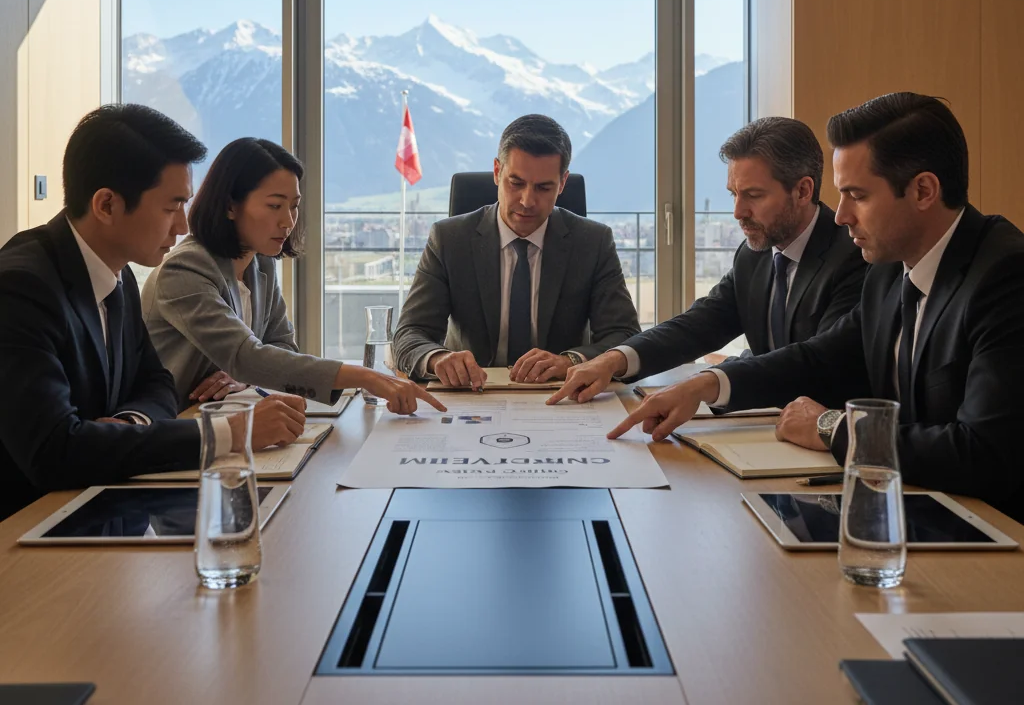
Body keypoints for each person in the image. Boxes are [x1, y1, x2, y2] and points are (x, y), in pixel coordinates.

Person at [600, 94, 1024, 523]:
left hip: (994, 532)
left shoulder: (1006, 275)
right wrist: (706, 385)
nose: (840, 216)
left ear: (923, 190)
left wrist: (833, 429)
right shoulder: (890, 269)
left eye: (857, 195)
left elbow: (985, 452)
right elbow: (820, 357)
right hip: (913, 503)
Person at [0, 105, 307, 522]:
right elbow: (55, 452)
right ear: (107, 205)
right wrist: (232, 433)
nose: (182, 225)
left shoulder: (117, 273)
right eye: (171, 207)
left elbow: (156, 383)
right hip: (27, 526)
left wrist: (127, 423)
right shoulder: (21, 287)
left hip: (99, 502)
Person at [550, 117, 866, 402]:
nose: (738, 212)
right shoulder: (753, 255)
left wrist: (711, 382)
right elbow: (700, 325)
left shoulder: (853, 255)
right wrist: (615, 359)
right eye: (733, 194)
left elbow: (817, 363)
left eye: (753, 196)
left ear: (802, 190)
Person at [143, 137, 445, 417]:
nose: (287, 222)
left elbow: (281, 347)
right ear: (230, 205)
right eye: (275, 206)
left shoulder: (260, 264)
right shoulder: (184, 269)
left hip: (226, 417)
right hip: (178, 427)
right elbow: (247, 356)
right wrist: (365, 376)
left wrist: (243, 378)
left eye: (294, 206)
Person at [392, 114, 641, 388]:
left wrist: (571, 361)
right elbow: (409, 334)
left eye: (544, 187)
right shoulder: (449, 239)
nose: (527, 201)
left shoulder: (593, 242)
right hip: (472, 394)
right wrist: (437, 358)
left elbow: (625, 334)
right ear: (497, 172)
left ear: (563, 183)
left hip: (561, 393)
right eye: (516, 183)